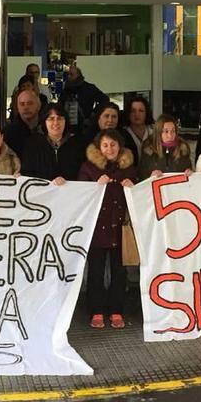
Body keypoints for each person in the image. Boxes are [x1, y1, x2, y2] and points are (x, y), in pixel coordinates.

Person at [78, 129, 137, 329]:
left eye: (113, 144)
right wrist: (95, 185)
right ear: (98, 147)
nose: (109, 149)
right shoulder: (88, 167)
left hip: (120, 227)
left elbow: (140, 195)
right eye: (105, 145)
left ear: (120, 146)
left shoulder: (129, 168)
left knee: (119, 272)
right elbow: (80, 194)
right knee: (95, 271)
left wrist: (133, 187)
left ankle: (116, 310)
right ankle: (96, 310)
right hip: (96, 227)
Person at [20, 103, 81, 184]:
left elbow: (83, 174)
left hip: (71, 194)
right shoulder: (32, 145)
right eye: (51, 119)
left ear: (65, 121)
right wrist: (51, 181)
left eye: (59, 118)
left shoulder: (78, 144)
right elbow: (27, 173)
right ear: (44, 122)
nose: (56, 122)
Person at [137, 114, 193, 180]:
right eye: (166, 131)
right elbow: (141, 178)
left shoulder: (183, 149)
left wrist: (190, 174)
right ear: (158, 132)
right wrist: (150, 178)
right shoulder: (148, 150)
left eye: (173, 131)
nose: (170, 135)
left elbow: (189, 173)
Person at [61, 64, 110, 135]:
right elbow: (60, 106)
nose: (69, 77)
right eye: (68, 74)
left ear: (78, 75)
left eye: (71, 74)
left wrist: (94, 114)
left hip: (85, 128)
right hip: (68, 128)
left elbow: (105, 100)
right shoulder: (66, 89)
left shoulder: (89, 88)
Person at [4, 88, 42, 157]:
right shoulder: (8, 133)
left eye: (30, 103)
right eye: (22, 104)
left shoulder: (46, 129)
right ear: (18, 108)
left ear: (38, 106)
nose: (26, 107)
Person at [121, 97, 153, 163]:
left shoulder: (153, 132)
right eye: (133, 111)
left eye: (141, 111)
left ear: (146, 113)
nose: (137, 114)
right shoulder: (122, 134)